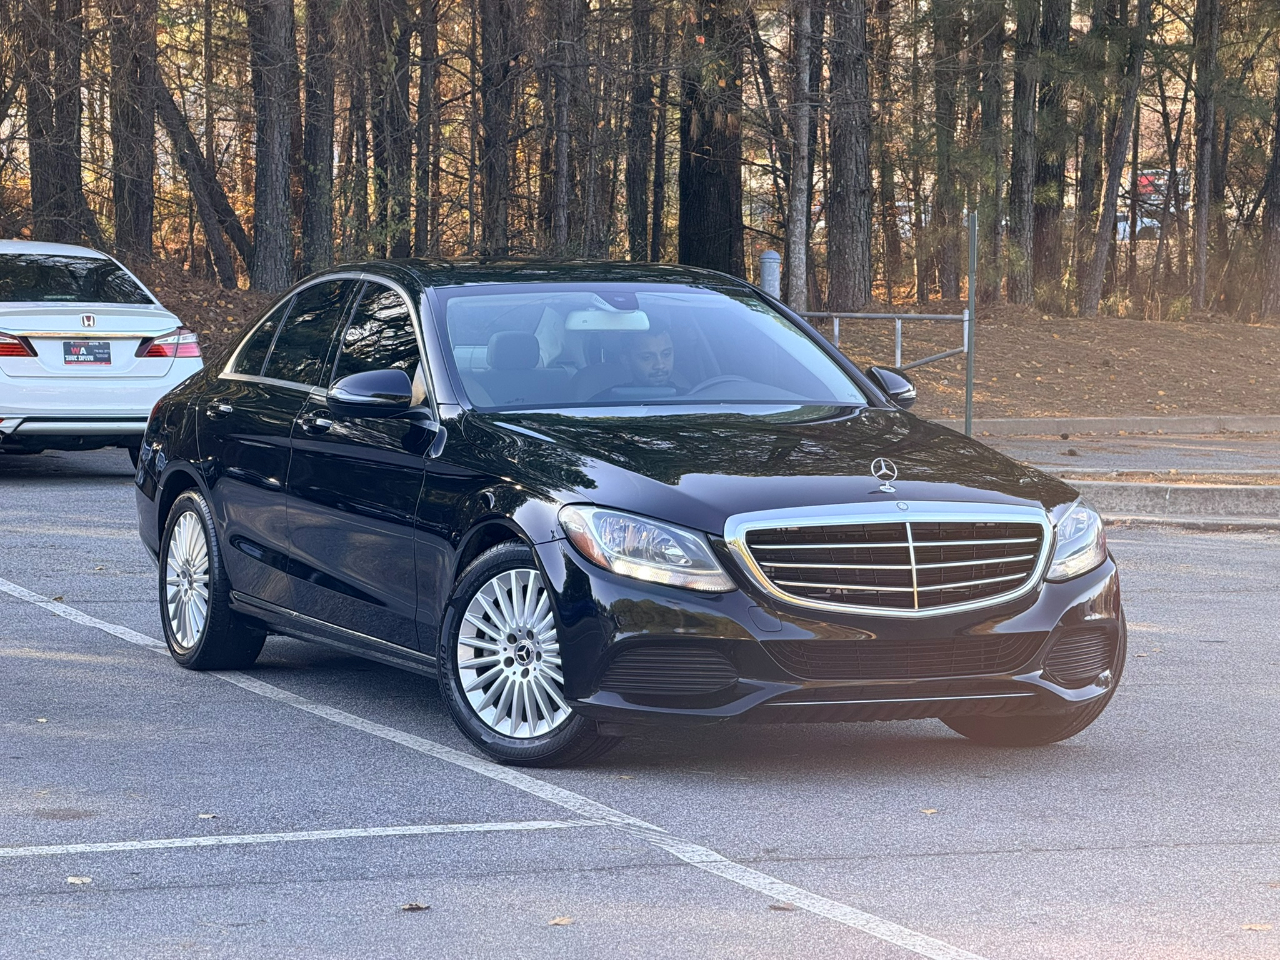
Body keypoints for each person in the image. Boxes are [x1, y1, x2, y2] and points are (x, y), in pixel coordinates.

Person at [620, 322, 676, 388]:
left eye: (666, 354)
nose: (660, 365)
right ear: (626, 361)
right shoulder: (609, 397)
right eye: (647, 357)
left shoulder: (688, 396)